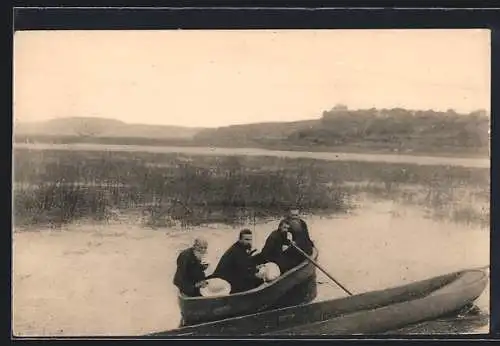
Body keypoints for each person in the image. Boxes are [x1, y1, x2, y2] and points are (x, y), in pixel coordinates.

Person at [211, 229, 263, 294]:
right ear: (240, 239)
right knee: (257, 281)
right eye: (246, 239)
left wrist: (255, 268)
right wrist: (256, 274)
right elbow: (242, 271)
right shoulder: (236, 251)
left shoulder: (240, 248)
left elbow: (245, 265)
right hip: (224, 282)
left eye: (250, 240)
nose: (249, 242)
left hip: (230, 277)